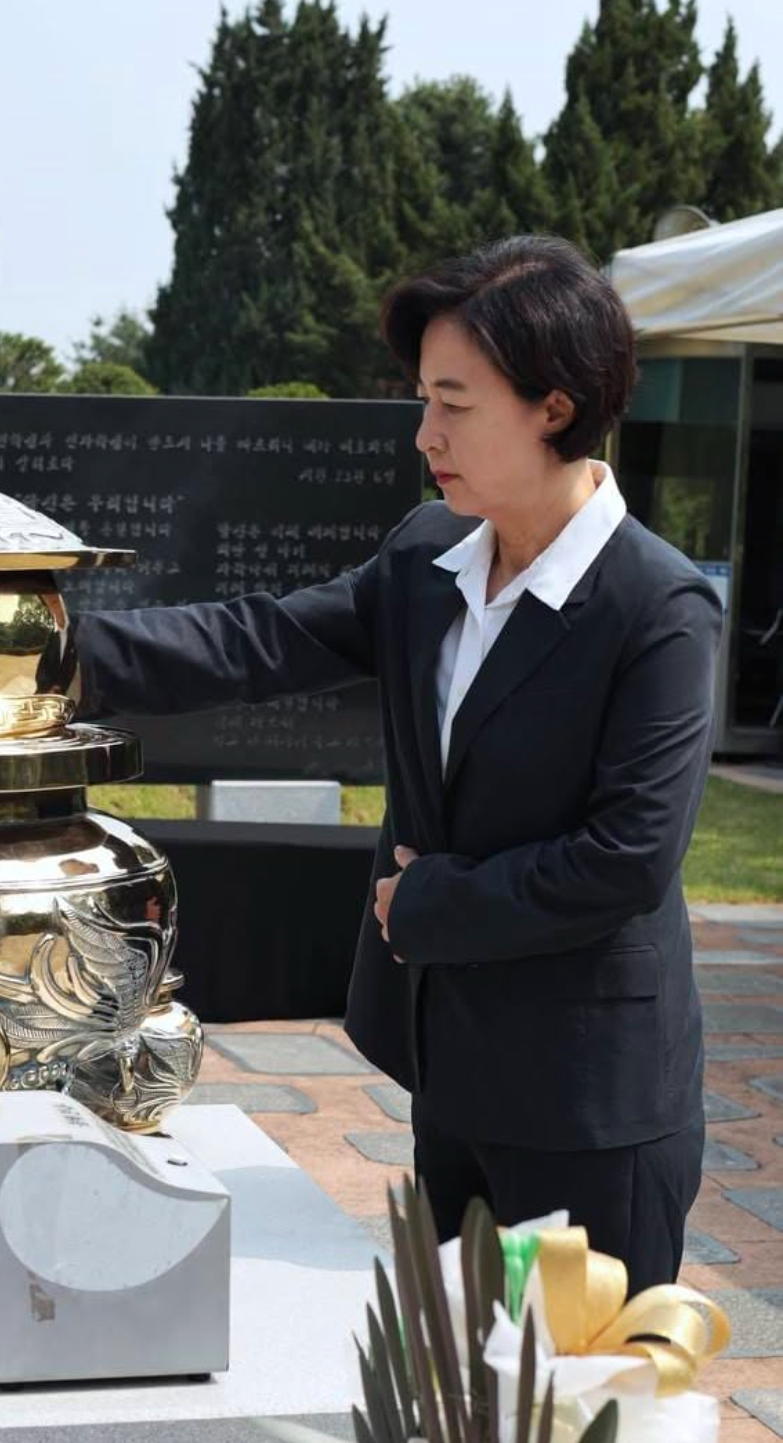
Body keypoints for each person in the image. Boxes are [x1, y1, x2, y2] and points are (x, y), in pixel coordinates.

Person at [71, 235, 721, 1293]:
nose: (426, 435)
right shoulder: (428, 557)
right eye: (424, 400)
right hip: (451, 1065)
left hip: (588, 1099)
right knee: (461, 1359)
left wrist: (428, 904)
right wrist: (47, 654)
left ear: (554, 408)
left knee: (574, 1375)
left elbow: (627, 857)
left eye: (453, 405)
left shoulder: (656, 608)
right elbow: (263, 639)